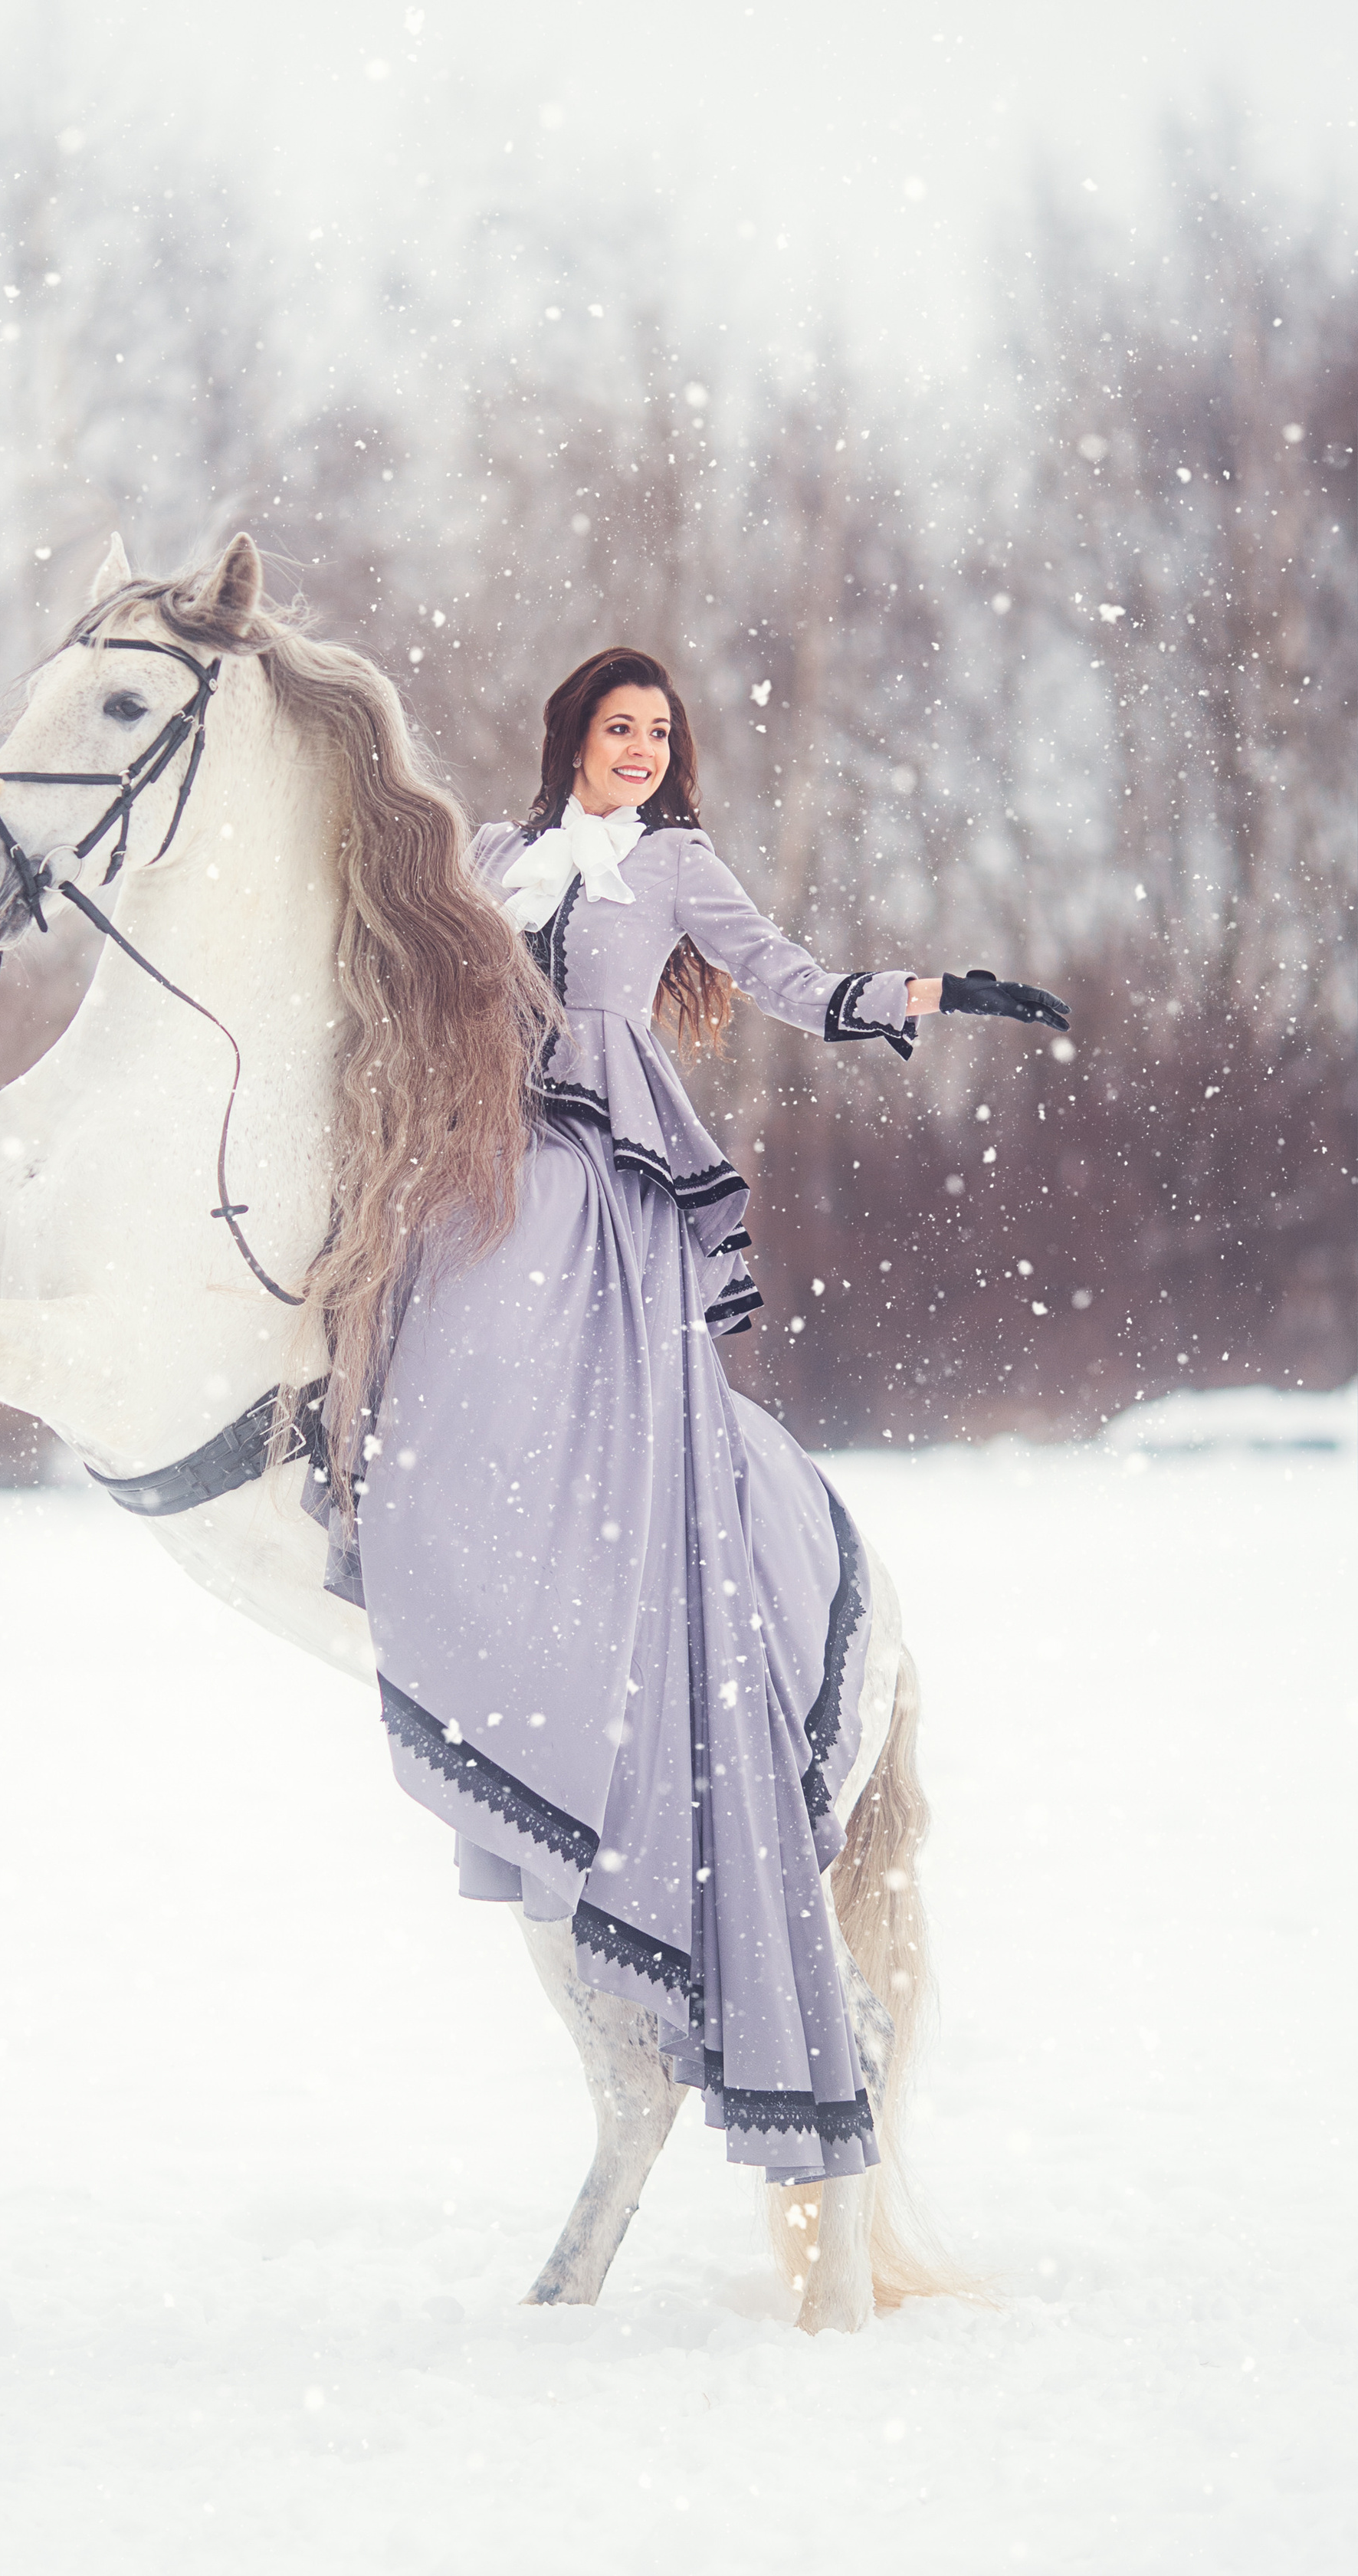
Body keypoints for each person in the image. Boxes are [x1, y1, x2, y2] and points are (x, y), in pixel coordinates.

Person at [343, 646, 1067, 2187]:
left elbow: (794, 981)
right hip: (478, 1156)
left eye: (655, 735)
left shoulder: (674, 865)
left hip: (595, 1183)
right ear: (570, 738)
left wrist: (929, 993)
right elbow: (410, 964)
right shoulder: (492, 854)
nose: (634, 750)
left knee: (570, 1367)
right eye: (615, 728)